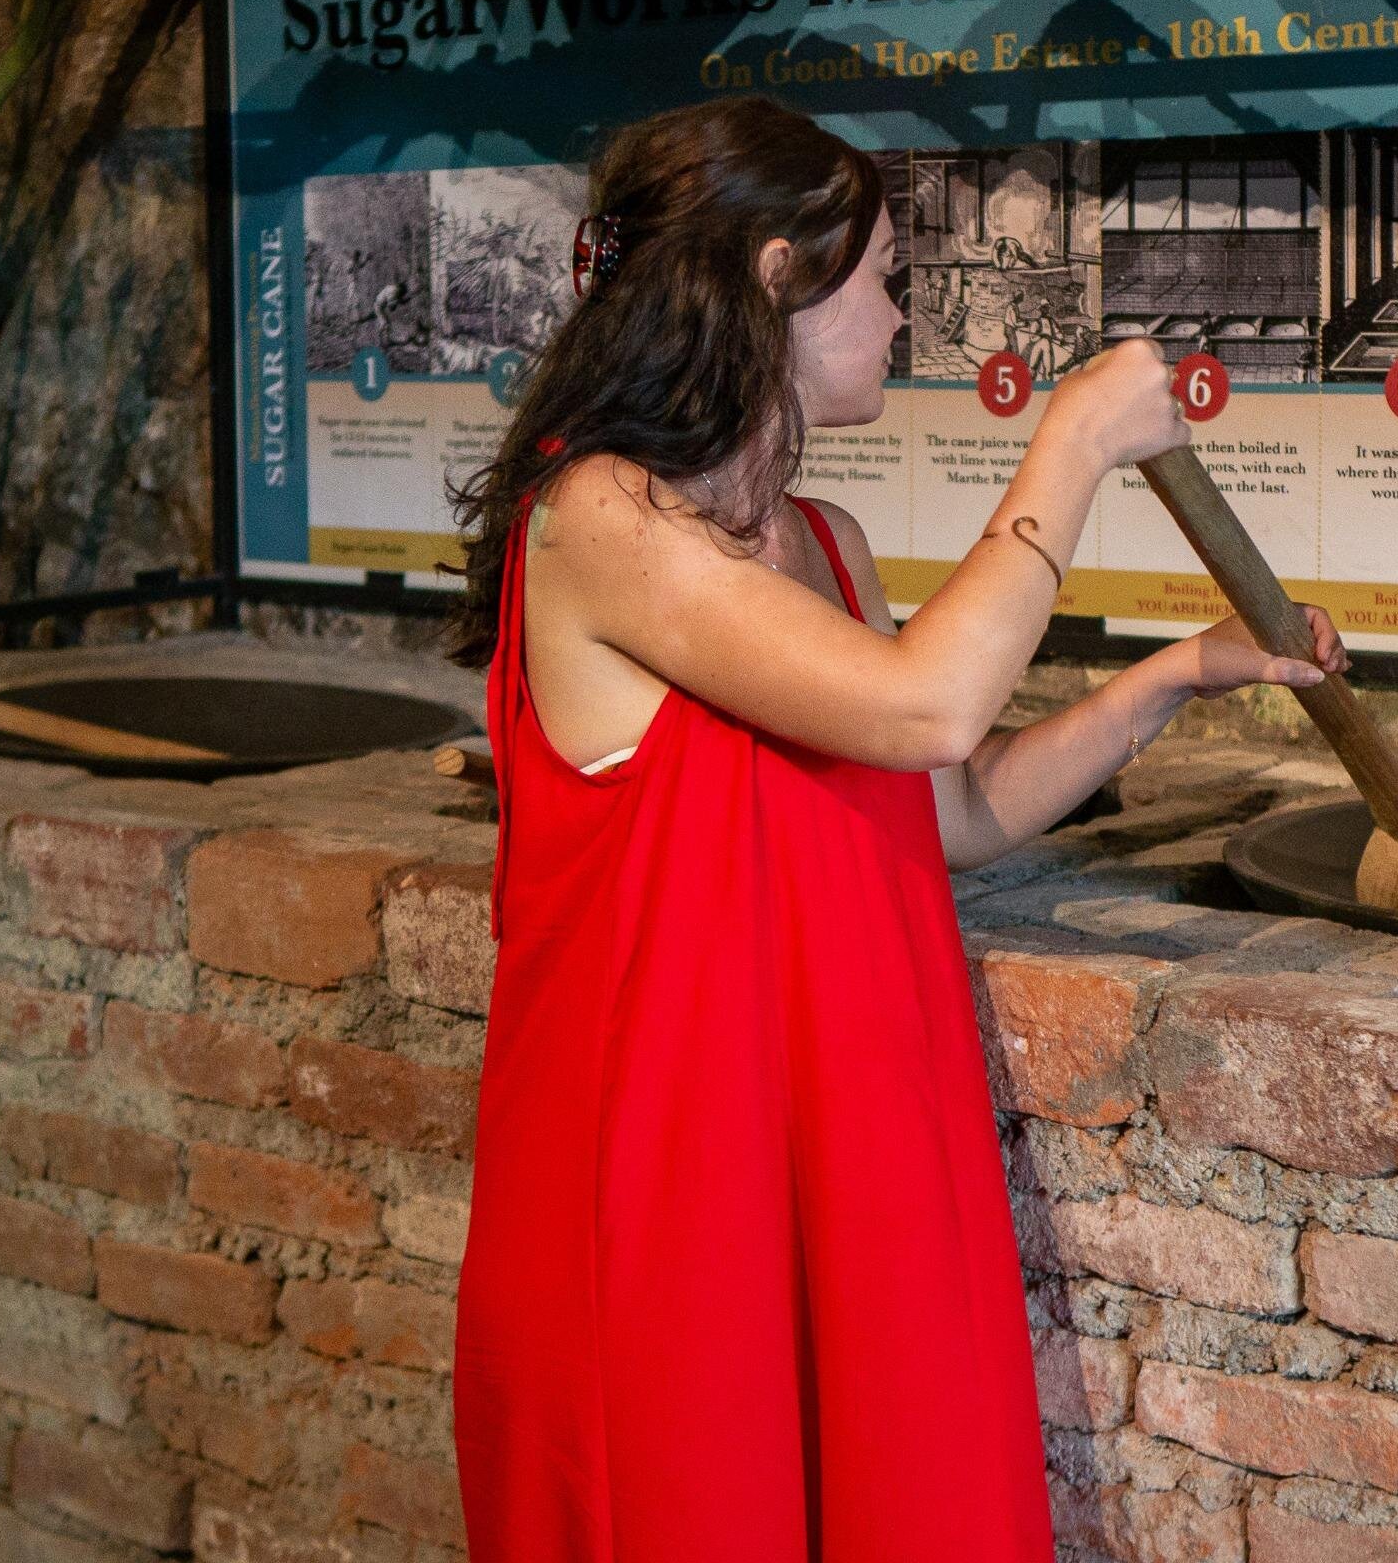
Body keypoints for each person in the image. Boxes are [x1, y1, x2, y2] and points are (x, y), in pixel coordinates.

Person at [443, 97, 1350, 1561]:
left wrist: (1183, 674)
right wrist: (1071, 446)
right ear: (776, 277)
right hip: (671, 1186)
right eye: (881, 277)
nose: (902, 312)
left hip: (845, 1155)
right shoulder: (601, 516)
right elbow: (927, 706)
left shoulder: (826, 544)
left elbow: (953, 803)